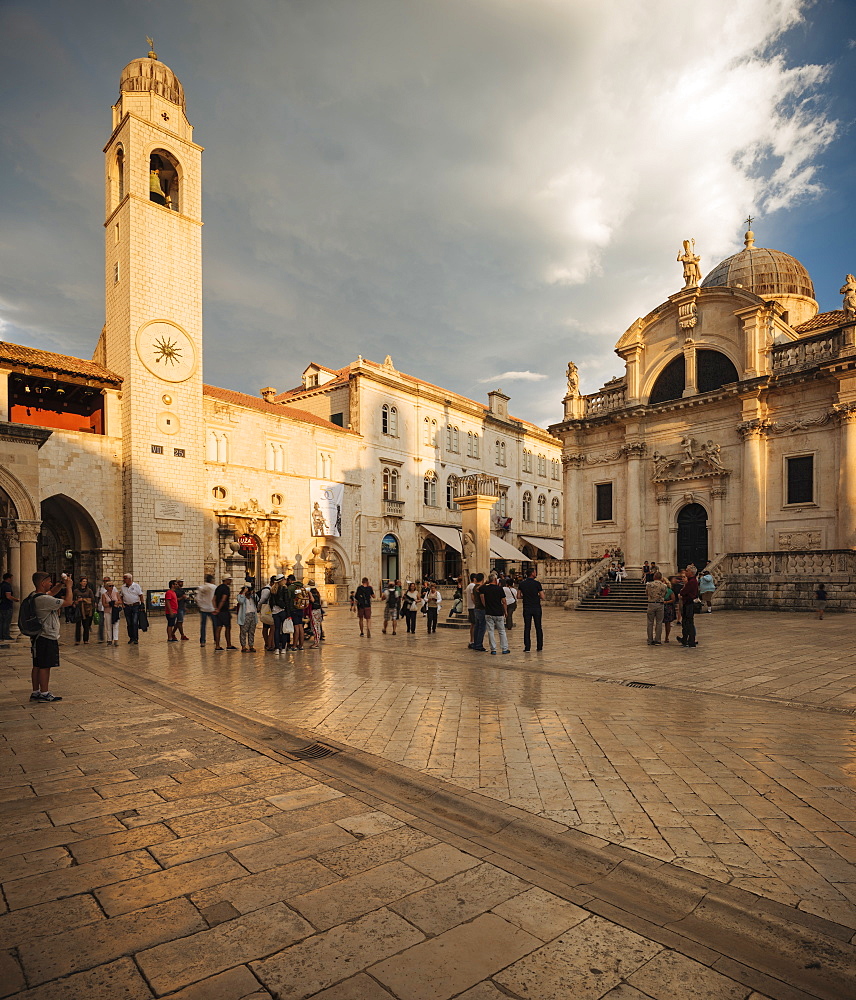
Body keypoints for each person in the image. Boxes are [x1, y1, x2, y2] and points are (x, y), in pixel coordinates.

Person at [29, 571, 73, 702]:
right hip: (46, 636)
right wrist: (69, 587)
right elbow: (68, 602)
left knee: (37, 664)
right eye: (49, 582)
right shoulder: (44, 600)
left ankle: (36, 691)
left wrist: (61, 584)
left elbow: (52, 592)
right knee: (45, 665)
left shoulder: (34, 595)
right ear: (42, 583)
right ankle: (44, 693)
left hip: (37, 636)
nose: (50, 584)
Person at [482, 572, 510, 655]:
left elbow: (478, 589)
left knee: (490, 631)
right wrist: (505, 611)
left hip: (489, 612)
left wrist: (485, 583)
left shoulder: (485, 589)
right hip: (498, 612)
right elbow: (504, 601)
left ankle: (493, 649)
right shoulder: (499, 589)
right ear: (495, 579)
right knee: (501, 631)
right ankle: (504, 648)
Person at [519, 566, 544, 652]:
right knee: (538, 627)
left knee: (527, 627)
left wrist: (525, 596)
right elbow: (542, 596)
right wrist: (535, 596)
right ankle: (539, 646)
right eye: (535, 572)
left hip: (527, 607)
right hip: (536, 607)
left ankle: (527, 647)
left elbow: (518, 596)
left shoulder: (522, 584)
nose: (536, 573)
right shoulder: (537, 584)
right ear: (532, 573)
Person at [677, 566, 699, 647]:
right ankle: (686, 639)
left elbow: (684, 592)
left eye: (687, 571)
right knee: (687, 622)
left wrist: (682, 594)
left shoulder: (692, 582)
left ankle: (691, 640)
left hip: (689, 604)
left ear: (691, 573)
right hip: (688, 603)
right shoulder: (691, 581)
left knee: (689, 622)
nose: (685, 572)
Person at [213, 576, 236, 651]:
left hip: (219, 611)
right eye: (230, 580)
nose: (231, 581)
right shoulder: (226, 588)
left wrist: (215, 608)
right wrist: (219, 609)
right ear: (227, 580)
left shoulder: (218, 587)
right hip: (224, 611)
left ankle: (217, 645)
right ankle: (228, 645)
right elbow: (223, 599)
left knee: (218, 628)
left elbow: (213, 599)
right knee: (228, 627)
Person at [120, 573, 144, 644]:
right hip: (127, 606)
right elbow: (121, 596)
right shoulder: (122, 587)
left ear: (130, 579)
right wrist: (122, 604)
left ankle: (136, 638)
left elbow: (141, 595)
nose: (124, 580)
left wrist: (142, 604)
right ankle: (131, 637)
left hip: (135, 606)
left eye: (125, 578)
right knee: (129, 623)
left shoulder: (136, 586)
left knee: (134, 622)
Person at [645, 571, 668, 645]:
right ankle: (658, 640)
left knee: (650, 622)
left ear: (654, 577)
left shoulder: (649, 585)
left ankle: (650, 639)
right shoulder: (664, 586)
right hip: (660, 604)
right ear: (661, 578)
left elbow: (646, 593)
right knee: (659, 622)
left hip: (651, 604)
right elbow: (665, 594)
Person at [286, 575, 309, 650]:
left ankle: (294, 645)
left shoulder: (291, 588)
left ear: (290, 580)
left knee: (296, 627)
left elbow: (288, 599)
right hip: (301, 608)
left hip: (294, 609)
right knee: (301, 626)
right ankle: (301, 645)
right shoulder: (302, 586)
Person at [237, 583, 258, 651]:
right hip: (245, 616)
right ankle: (243, 646)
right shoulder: (240, 596)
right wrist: (244, 593)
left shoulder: (252, 596)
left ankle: (251, 645)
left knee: (251, 631)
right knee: (243, 631)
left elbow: (258, 600)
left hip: (253, 615)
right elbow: (241, 601)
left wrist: (253, 593)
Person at [196, 574, 216, 646]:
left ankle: (202, 641)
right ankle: (216, 639)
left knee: (203, 625)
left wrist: (200, 606)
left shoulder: (201, 588)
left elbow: (198, 598)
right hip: (212, 608)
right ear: (212, 580)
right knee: (215, 624)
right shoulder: (214, 587)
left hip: (203, 609)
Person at [101, 577, 121, 646]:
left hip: (115, 611)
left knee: (116, 625)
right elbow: (104, 604)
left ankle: (116, 639)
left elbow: (120, 601)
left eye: (112, 586)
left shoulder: (116, 593)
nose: (111, 587)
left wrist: (115, 603)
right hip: (108, 612)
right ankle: (109, 639)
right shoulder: (104, 595)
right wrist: (110, 604)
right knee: (108, 626)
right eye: (110, 586)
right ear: (106, 587)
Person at [470, 573, 487, 652]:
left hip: (476, 608)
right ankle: (479, 645)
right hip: (481, 609)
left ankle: (475, 643)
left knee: (477, 626)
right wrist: (485, 606)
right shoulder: (481, 588)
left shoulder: (474, 587)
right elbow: (482, 597)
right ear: (482, 578)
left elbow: (472, 597)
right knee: (482, 628)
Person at [1, 572, 18, 641]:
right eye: (11, 578)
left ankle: (1, 635)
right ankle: (5, 635)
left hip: (1, 605)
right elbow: (8, 596)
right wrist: (16, 599)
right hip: (6, 606)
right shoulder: (7, 586)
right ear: (8, 578)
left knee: (1, 622)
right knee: (6, 622)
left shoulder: (1, 585)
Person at [307, 580, 324, 647]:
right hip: (318, 610)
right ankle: (317, 641)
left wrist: (309, 595)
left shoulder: (311, 592)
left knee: (314, 626)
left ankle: (316, 643)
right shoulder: (317, 592)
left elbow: (312, 600)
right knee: (317, 626)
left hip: (314, 611)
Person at [663, 577, 677, 643]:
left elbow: (673, 599)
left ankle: (666, 637)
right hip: (661, 606)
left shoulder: (669, 590)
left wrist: (666, 602)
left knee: (667, 623)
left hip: (667, 607)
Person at [465, 573, 477, 646]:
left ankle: (472, 640)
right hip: (473, 607)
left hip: (470, 606)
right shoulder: (472, 586)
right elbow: (473, 597)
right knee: (475, 624)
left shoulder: (469, 586)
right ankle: (472, 641)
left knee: (473, 624)